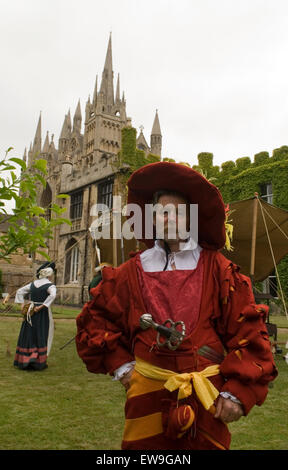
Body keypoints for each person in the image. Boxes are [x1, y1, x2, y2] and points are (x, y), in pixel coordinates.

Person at [76, 162, 277, 450]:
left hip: (205, 401)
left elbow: (250, 333)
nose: (169, 218)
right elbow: (95, 320)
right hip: (146, 397)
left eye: (179, 212)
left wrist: (237, 392)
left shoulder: (219, 271)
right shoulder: (131, 271)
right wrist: (123, 367)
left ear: (191, 219)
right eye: (162, 212)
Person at [14, 261, 57, 371]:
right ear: (49, 274)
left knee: (29, 333)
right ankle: (37, 362)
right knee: (41, 333)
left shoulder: (33, 284)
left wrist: (22, 306)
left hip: (30, 311)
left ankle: (24, 360)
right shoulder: (50, 285)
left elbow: (19, 291)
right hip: (41, 313)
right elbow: (53, 295)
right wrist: (42, 306)